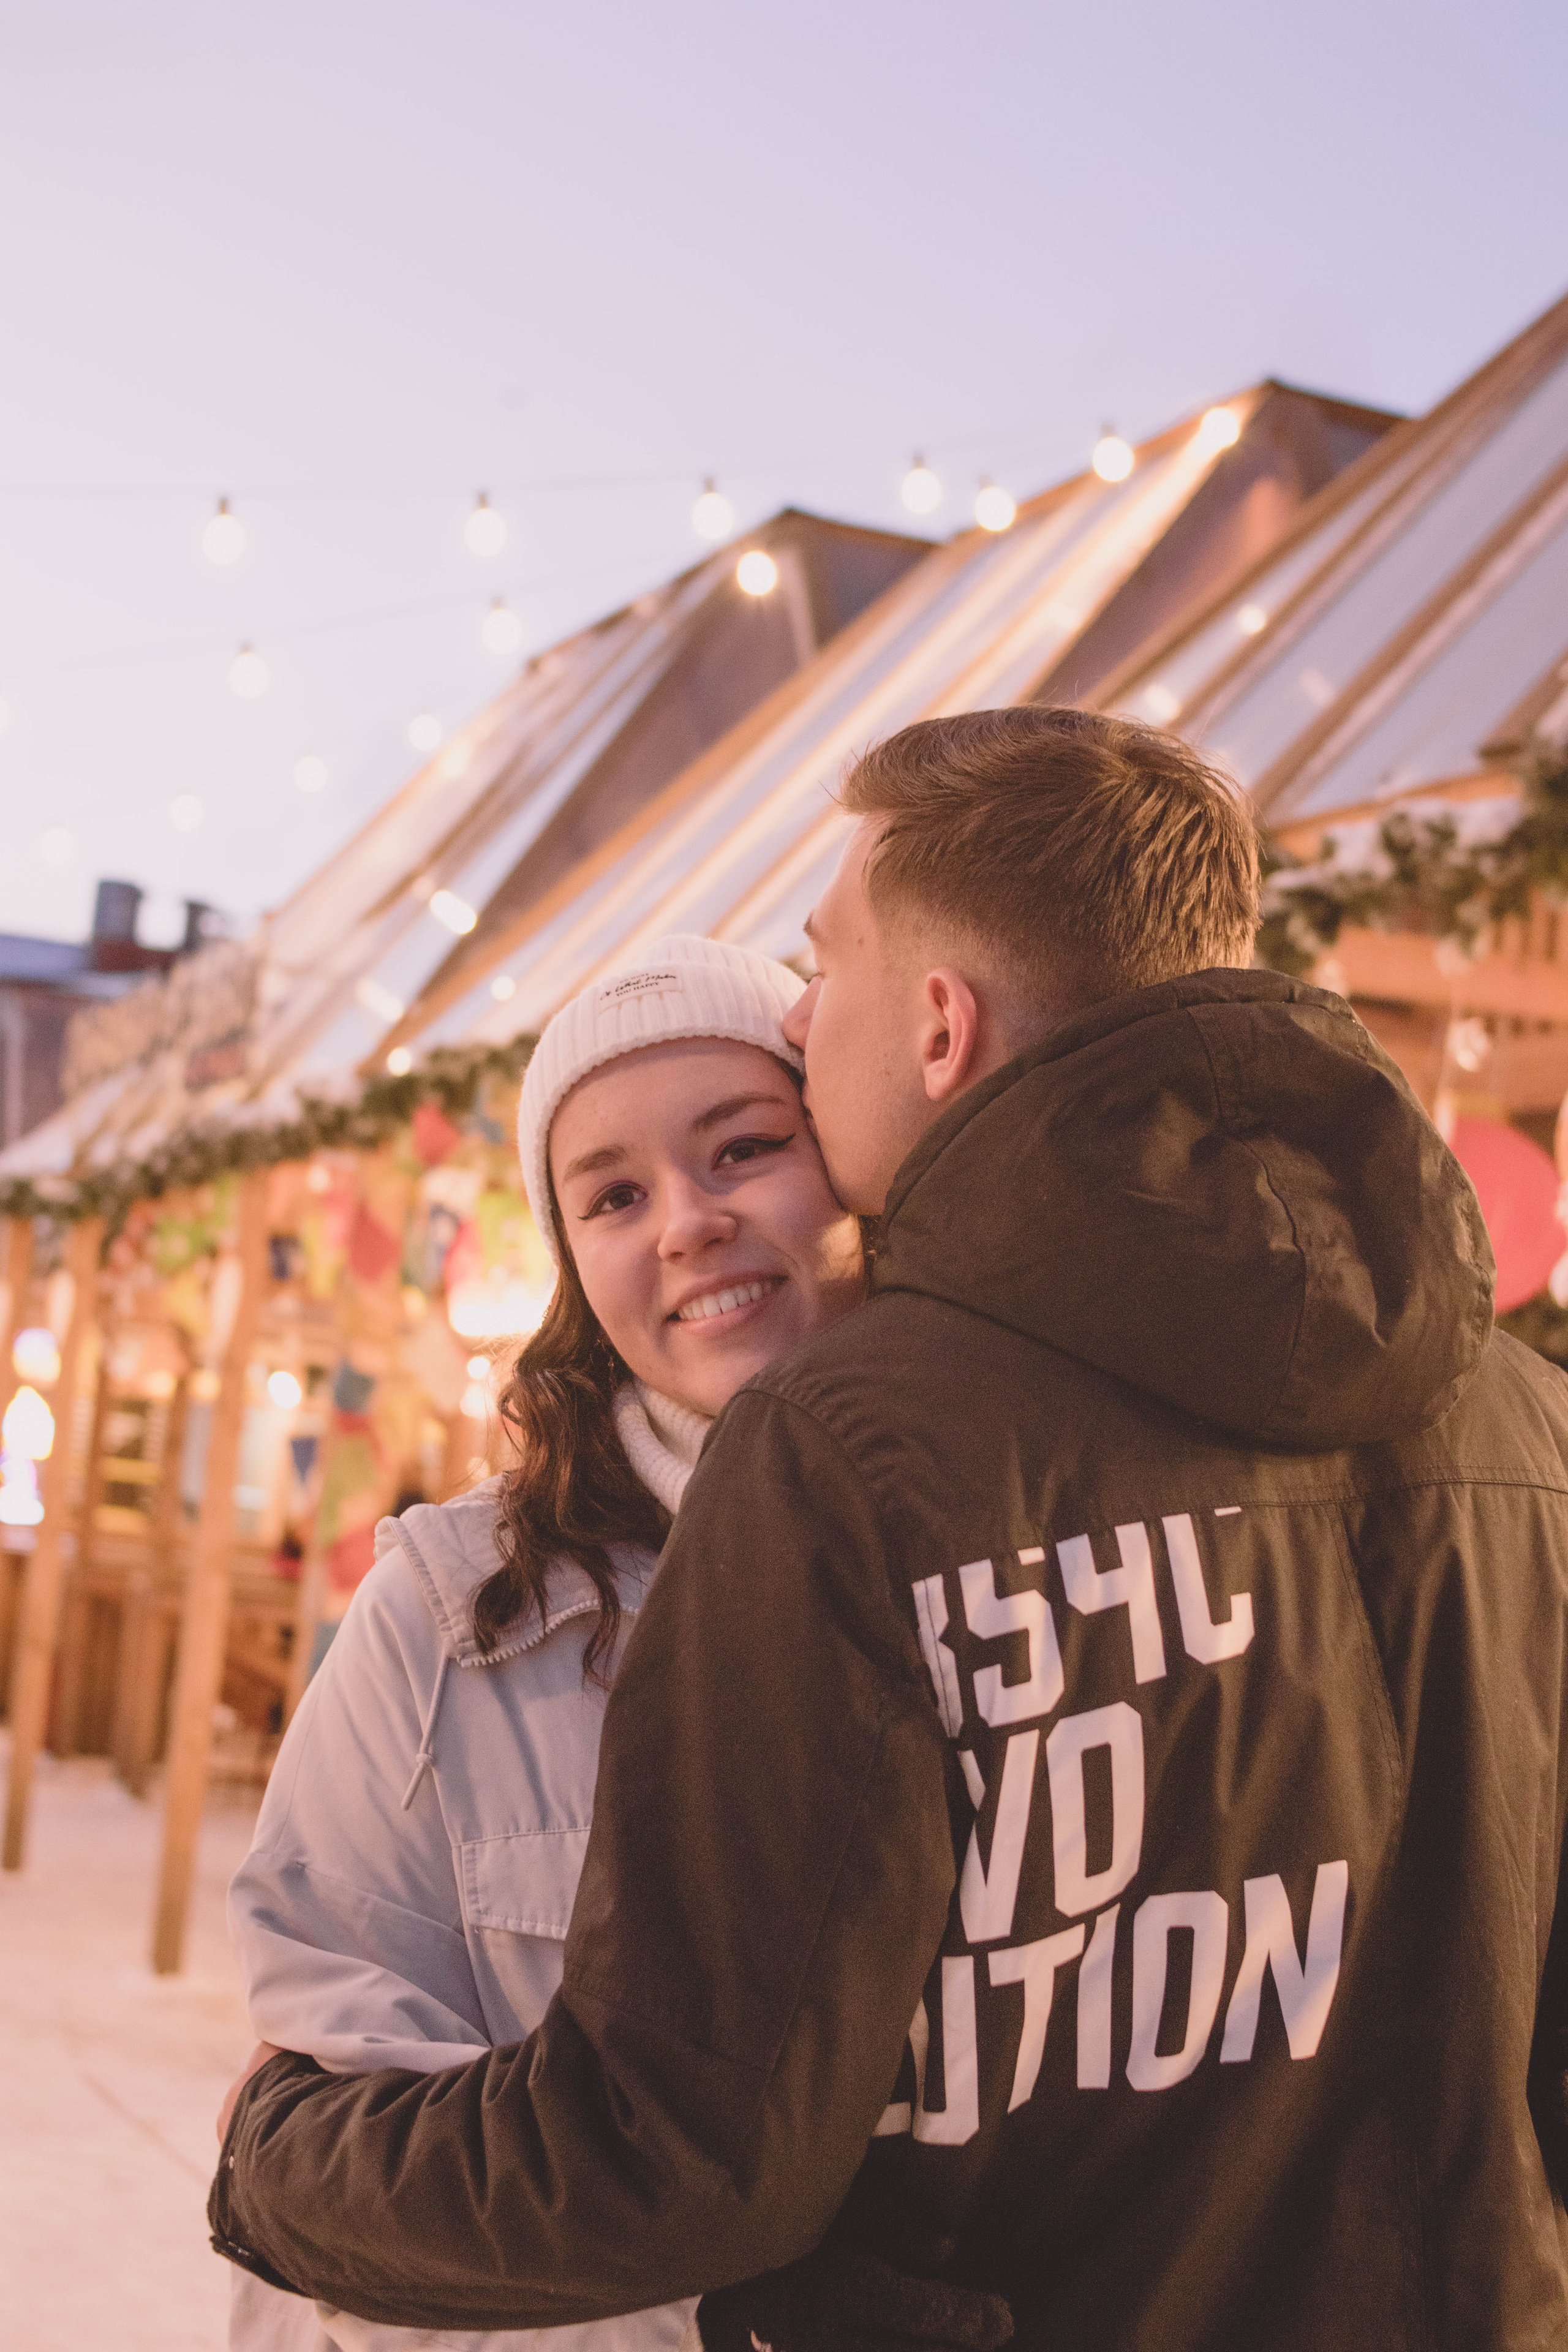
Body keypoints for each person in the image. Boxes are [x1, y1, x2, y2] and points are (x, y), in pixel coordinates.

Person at [214, 706, 1568, 2350]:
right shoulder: (1525, 1423)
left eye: (822, 968)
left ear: (937, 1024)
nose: (806, 1007)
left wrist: (274, 2168)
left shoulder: (858, 1456)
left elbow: (682, 2151)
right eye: (612, 1194)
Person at [223, 933, 870, 2351]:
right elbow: (345, 2141)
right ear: (575, 1261)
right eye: (614, 1196)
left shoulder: (1019, 1550)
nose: (685, 1222)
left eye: (746, 1146)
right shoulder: (455, 1611)